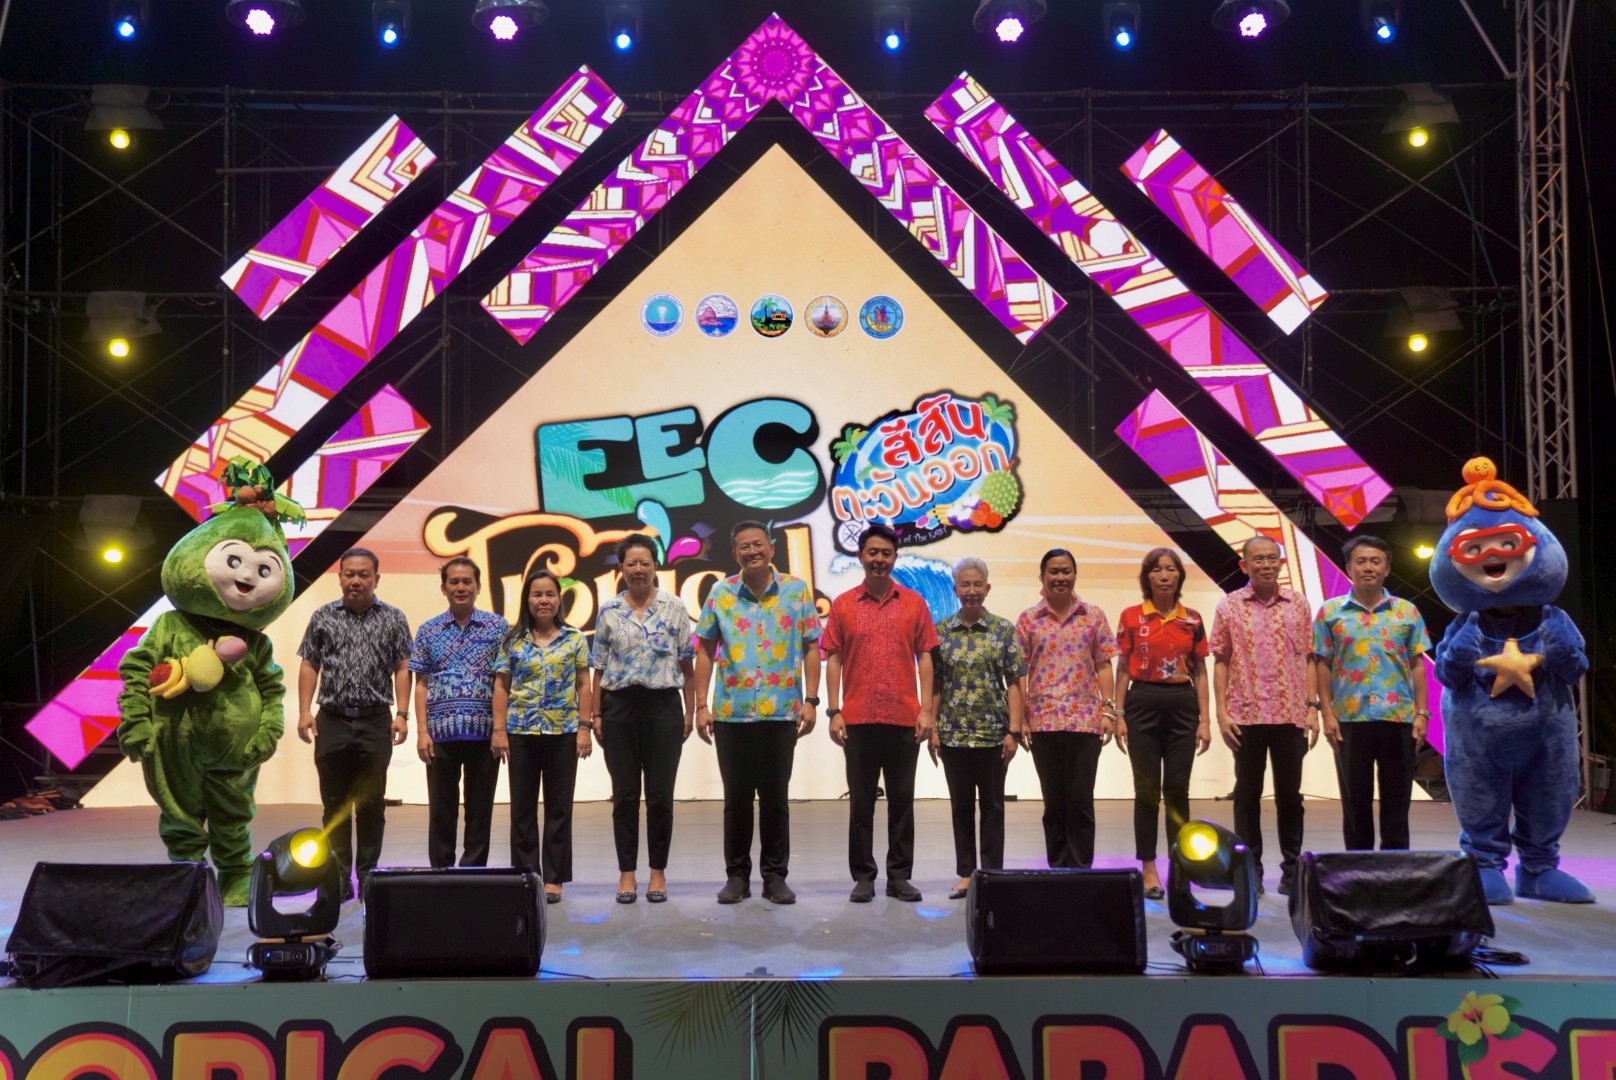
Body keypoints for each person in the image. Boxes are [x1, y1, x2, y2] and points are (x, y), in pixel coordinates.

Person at [693, 521, 822, 905]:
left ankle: (775, 877)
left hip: (781, 713)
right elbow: (704, 650)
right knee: (736, 801)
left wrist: (811, 700)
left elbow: (812, 647)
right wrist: (701, 705)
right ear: (735, 553)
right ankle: (736, 877)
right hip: (732, 714)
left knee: (775, 800)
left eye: (758, 544)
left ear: (771, 548)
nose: (752, 551)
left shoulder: (796, 590)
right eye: (744, 546)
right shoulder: (721, 593)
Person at [821, 523, 939, 903]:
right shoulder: (843, 605)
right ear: (861, 556)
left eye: (886, 553)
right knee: (861, 804)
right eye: (872, 552)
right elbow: (833, 657)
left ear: (895, 558)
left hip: (904, 718)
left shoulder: (914, 603)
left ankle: (899, 876)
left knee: (902, 802)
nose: (879, 559)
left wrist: (926, 710)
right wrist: (834, 711)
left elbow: (925, 656)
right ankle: (864, 877)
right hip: (857, 719)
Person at [295, 547, 413, 902]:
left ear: (376, 578)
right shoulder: (322, 616)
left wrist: (402, 714)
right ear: (340, 577)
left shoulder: (393, 618)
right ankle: (339, 877)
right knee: (335, 804)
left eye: (364, 574)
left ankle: (368, 876)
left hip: (375, 721)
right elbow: (309, 664)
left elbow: (402, 666)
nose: (356, 580)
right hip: (331, 720)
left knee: (371, 803)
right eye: (350, 574)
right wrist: (304, 711)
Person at [589, 535, 695, 904]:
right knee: (625, 796)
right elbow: (599, 668)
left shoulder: (674, 607)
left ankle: (658, 872)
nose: (638, 569)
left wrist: (690, 710)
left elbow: (687, 665)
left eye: (644, 563)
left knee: (661, 796)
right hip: (619, 708)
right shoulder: (608, 610)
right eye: (631, 563)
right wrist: (596, 713)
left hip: (663, 707)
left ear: (654, 566)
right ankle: (627, 873)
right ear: (621, 568)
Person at [1211, 535, 1319, 897]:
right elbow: (1220, 660)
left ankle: (1292, 871)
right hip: (1245, 714)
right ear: (1245, 565)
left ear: (1281, 563)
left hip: (1290, 714)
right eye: (1258, 559)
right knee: (1247, 796)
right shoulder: (1229, 605)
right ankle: (1249, 870)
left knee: (1290, 797)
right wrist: (1221, 712)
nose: (1266, 564)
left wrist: (1313, 707)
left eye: (1272, 558)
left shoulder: (1298, 603)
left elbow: (1308, 657)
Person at [1314, 534, 1431, 851]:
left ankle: (1395, 868)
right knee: (1355, 804)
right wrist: (1327, 714)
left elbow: (1417, 665)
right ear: (1349, 568)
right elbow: (1322, 664)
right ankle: (1358, 866)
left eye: (1375, 561)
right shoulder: (1330, 612)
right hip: (1350, 719)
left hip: (1398, 718)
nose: (1368, 567)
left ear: (1387, 569)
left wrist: (1422, 713)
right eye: (1361, 561)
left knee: (1397, 804)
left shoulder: (1406, 612)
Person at [1114, 548, 1210, 900]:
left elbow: (1201, 671)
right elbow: (1122, 669)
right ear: (1147, 577)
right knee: (1146, 792)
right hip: (1141, 704)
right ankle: (1149, 868)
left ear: (1180, 576)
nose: (1165, 575)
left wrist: (1205, 720)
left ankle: (1180, 865)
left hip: (1183, 706)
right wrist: (1119, 715)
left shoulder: (1193, 619)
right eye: (1157, 570)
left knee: (1177, 790)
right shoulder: (1131, 616)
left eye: (1171, 569)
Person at [492, 566, 592, 903]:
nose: (544, 600)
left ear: (559, 599)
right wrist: (499, 731)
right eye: (537, 594)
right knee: (522, 808)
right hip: (521, 732)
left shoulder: (574, 639)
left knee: (559, 807)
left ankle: (554, 878)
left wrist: (584, 727)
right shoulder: (512, 641)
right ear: (528, 600)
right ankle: (526, 875)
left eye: (550, 594)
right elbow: (501, 686)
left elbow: (584, 684)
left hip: (563, 732)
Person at [928, 557, 1025, 901]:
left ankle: (993, 874)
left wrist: (1014, 731)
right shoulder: (941, 631)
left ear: (987, 588)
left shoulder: (1002, 629)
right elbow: (936, 685)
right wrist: (933, 728)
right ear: (956, 589)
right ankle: (967, 874)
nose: (971, 590)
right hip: (953, 733)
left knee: (993, 806)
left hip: (993, 734)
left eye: (977, 584)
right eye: (965, 585)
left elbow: (1014, 681)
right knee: (961, 806)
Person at [1016, 548, 1117, 869]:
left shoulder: (1093, 615)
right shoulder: (1028, 619)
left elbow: (1104, 665)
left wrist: (1109, 711)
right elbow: (1019, 672)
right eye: (1054, 572)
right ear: (1042, 577)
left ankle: (1081, 871)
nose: (1060, 577)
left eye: (1066, 571)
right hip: (1043, 722)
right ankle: (1058, 871)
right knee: (1054, 803)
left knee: (1081, 802)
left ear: (1075, 575)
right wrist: (1020, 720)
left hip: (1085, 722)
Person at [410, 557, 508, 869]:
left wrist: (500, 730)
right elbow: (421, 684)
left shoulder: (498, 627)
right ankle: (441, 871)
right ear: (444, 588)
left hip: (485, 733)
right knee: (441, 810)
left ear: (478, 587)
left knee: (480, 810)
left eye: (467, 582)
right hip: (440, 734)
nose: (461, 587)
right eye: (454, 582)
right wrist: (422, 732)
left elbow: (504, 681)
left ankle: (473, 871)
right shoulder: (429, 630)